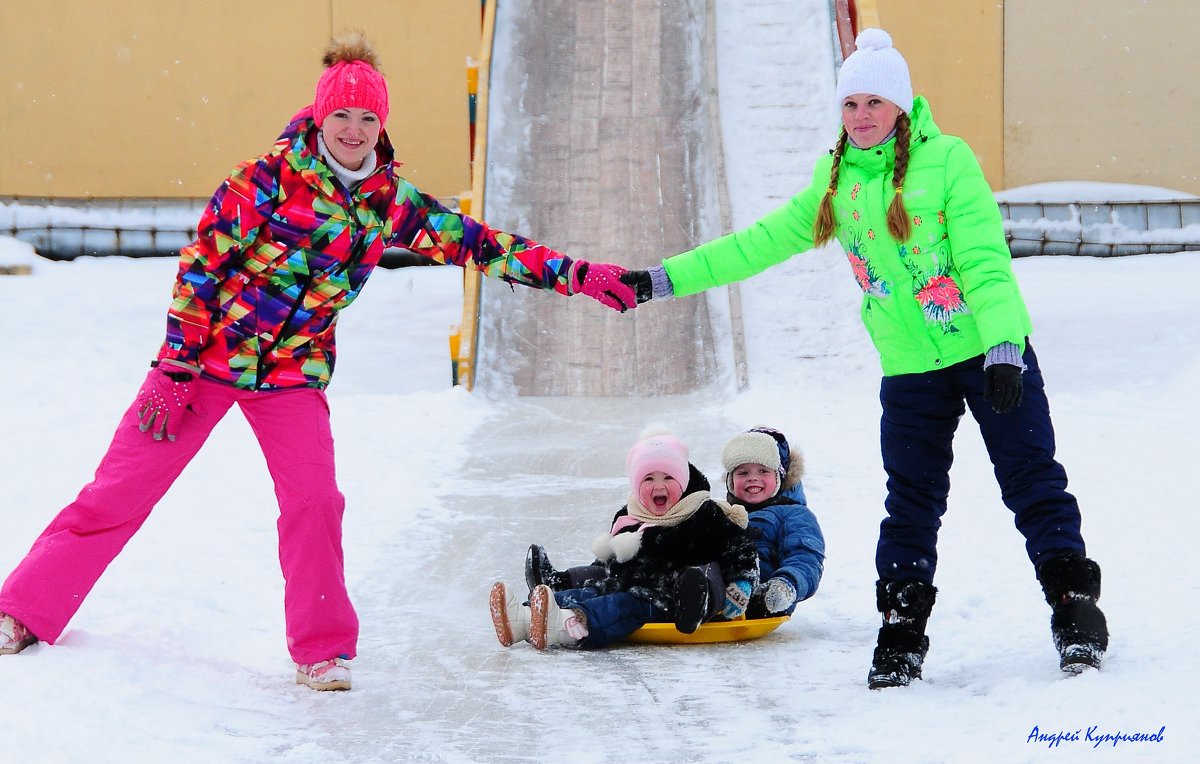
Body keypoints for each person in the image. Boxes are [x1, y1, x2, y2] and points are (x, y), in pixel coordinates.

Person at [0, 32, 637, 691]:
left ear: (381, 126)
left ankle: (321, 650)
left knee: (315, 503)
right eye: (342, 115)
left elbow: (482, 245)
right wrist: (175, 365)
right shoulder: (263, 183)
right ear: (319, 116)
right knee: (120, 489)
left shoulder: (388, 203)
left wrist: (583, 277)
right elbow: (200, 272)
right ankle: (20, 609)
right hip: (203, 367)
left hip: (291, 378)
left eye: (368, 118)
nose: (354, 130)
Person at [617, 29, 1108, 687]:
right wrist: (662, 278)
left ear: (901, 107)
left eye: (875, 102)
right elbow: (757, 244)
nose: (861, 116)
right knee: (910, 504)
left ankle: (1074, 614)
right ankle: (901, 635)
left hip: (989, 355)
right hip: (909, 368)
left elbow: (985, 263)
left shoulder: (948, 162)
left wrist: (1003, 346)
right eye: (850, 104)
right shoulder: (836, 181)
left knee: (1031, 480)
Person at [527, 425, 825, 627]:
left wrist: (787, 585)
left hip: (754, 597)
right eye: (743, 472)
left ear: (782, 476)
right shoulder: (724, 511)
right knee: (632, 566)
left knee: (708, 571)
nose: (753, 479)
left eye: (763, 471)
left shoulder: (794, 516)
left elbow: (806, 558)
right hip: (690, 578)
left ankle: (694, 597)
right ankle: (558, 585)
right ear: (730, 479)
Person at [489, 428, 759, 649]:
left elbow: (739, 547)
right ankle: (524, 618)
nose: (659, 486)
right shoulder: (630, 515)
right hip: (622, 584)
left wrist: (743, 583)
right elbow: (609, 562)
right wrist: (588, 577)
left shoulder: (702, 512)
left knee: (619, 606)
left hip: (664, 599)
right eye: (648, 479)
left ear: (683, 481)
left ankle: (566, 625)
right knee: (594, 591)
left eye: (668, 477)